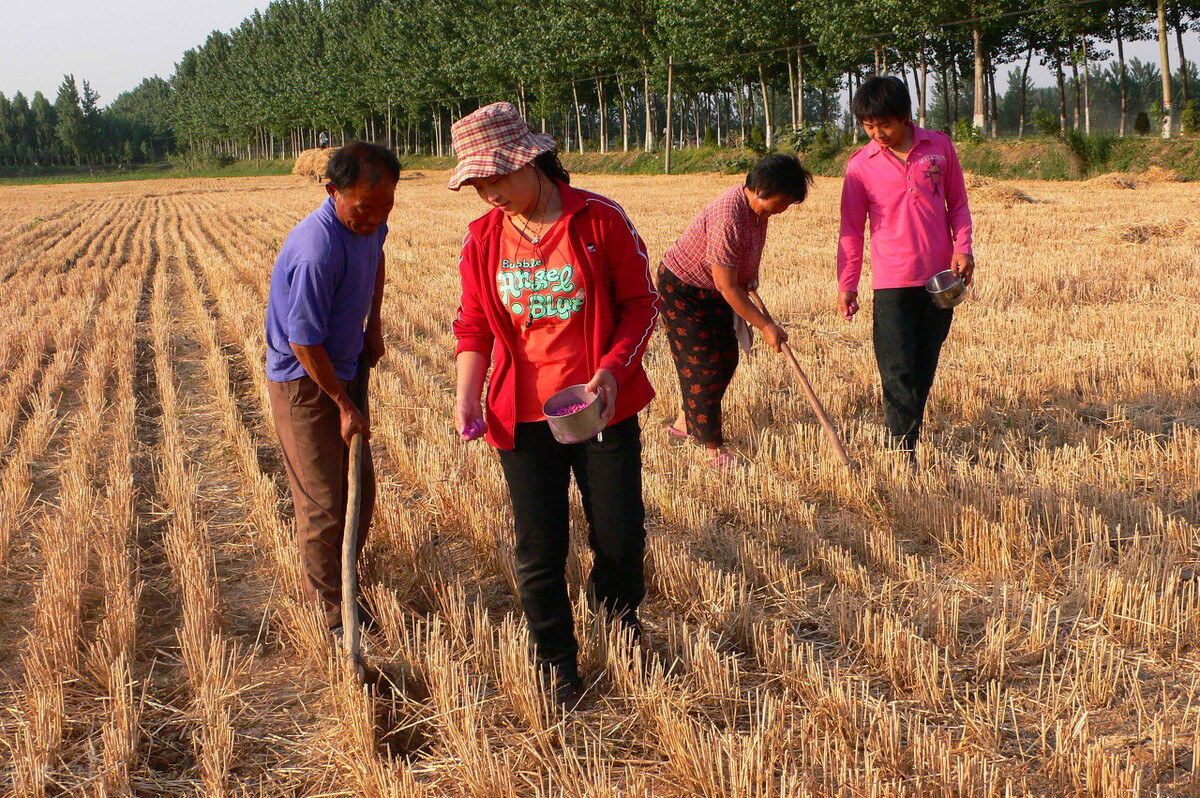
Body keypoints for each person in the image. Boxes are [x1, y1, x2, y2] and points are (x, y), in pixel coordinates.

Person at [449, 102, 658, 708]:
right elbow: (474, 326)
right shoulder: (484, 238)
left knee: (619, 538)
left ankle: (619, 617)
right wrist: (468, 394)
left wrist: (612, 371)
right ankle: (556, 660)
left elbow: (641, 304)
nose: (487, 194)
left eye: (494, 179)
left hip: (600, 408)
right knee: (539, 549)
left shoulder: (598, 220)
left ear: (529, 162)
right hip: (521, 414)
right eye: (477, 184)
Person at [264, 141, 399, 635]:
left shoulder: (372, 219)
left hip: (346, 362)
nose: (376, 217)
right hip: (304, 380)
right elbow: (302, 342)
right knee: (323, 501)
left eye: (386, 205)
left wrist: (374, 323)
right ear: (332, 191)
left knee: (359, 491)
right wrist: (342, 404)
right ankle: (330, 614)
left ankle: (346, 582)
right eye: (365, 206)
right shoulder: (316, 250)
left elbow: (377, 253)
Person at [837, 75, 974, 467]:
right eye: (868, 126)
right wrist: (847, 283)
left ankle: (908, 438)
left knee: (924, 365)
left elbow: (958, 206)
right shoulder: (860, 167)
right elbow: (851, 231)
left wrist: (963, 248)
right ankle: (903, 453)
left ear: (905, 117)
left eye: (885, 124)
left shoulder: (939, 148)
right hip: (892, 282)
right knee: (896, 368)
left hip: (939, 282)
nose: (877, 133)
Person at [658, 153, 813, 470]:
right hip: (684, 290)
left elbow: (737, 271)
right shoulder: (729, 218)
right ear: (762, 192)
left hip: (714, 288)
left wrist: (749, 279)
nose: (784, 209)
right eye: (783, 202)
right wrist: (765, 326)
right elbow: (727, 286)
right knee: (703, 367)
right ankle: (711, 447)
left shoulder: (759, 213)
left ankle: (685, 423)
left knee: (726, 357)